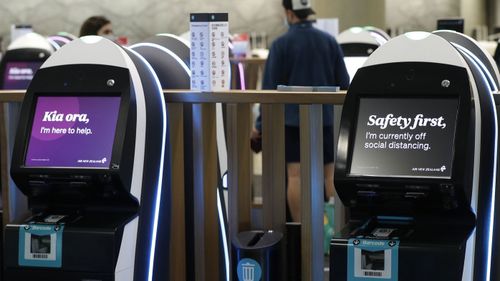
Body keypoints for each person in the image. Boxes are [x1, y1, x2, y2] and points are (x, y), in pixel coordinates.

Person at [251, 0, 349, 222]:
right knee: (329, 174)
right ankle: (332, 232)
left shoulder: (280, 45)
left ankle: (299, 231)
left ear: (288, 13)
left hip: (292, 122)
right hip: (325, 120)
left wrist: (259, 126)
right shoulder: (330, 42)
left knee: (295, 176)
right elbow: (345, 83)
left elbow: (269, 92)